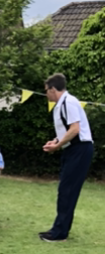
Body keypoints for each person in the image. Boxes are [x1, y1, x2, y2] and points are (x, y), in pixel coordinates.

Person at [40, 73, 94, 242]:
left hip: (80, 149)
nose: (46, 94)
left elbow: (75, 129)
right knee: (65, 189)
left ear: (53, 89)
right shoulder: (60, 105)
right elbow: (67, 131)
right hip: (71, 149)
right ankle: (60, 229)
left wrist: (57, 146)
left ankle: (59, 233)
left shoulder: (68, 102)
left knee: (67, 190)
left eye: (46, 90)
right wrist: (56, 141)